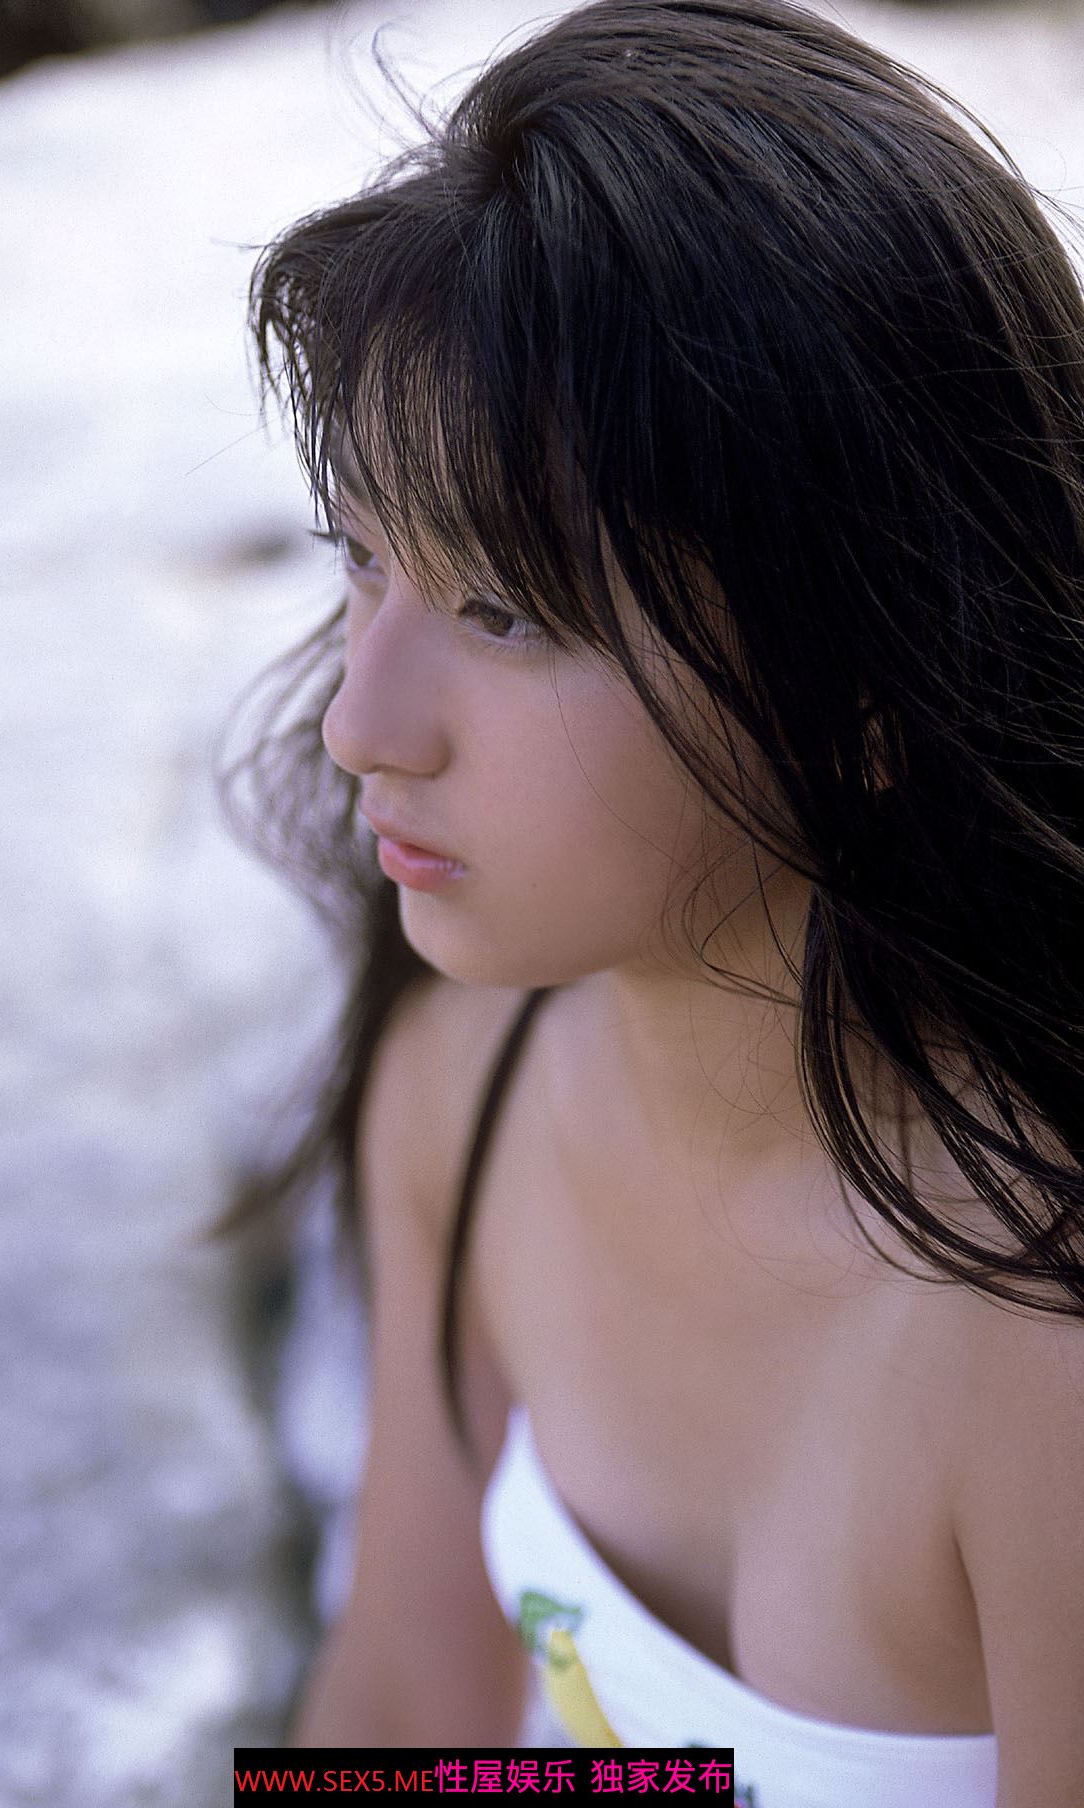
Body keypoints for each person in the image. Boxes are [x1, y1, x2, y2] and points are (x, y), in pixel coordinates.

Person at [220, 1, 1084, 1798]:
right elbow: (409, 1716)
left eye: (506, 611)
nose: (364, 722)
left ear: (871, 682)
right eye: (362, 558)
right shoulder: (465, 1082)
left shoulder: (1036, 1344)